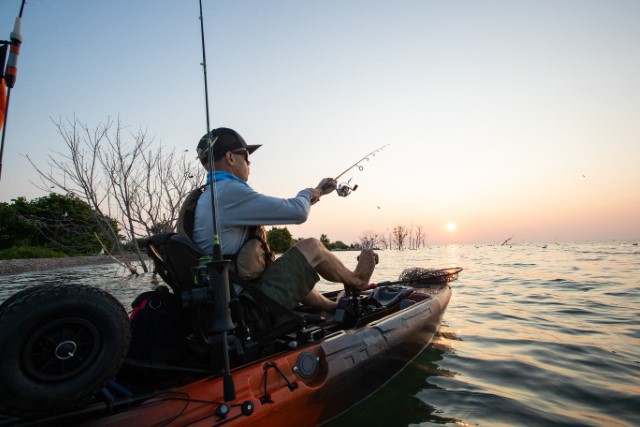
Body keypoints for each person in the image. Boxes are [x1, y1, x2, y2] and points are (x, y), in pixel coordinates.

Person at [192, 127, 376, 313]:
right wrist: (306, 192)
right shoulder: (228, 192)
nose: (249, 162)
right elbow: (297, 213)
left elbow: (286, 211)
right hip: (245, 307)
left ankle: (331, 307)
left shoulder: (210, 195)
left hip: (230, 300)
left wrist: (317, 191)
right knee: (312, 246)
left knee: (286, 264)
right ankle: (358, 280)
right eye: (246, 155)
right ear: (231, 158)